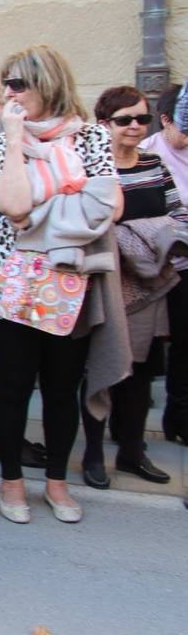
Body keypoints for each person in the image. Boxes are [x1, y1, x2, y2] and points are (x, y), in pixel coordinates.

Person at [0, 45, 121, 525]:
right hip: (10, 284)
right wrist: (16, 140)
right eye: (6, 83)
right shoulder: (4, 139)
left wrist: (42, 217)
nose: (8, 93)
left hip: (71, 280)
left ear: (48, 83)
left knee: (62, 389)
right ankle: (11, 481)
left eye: (18, 83)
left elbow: (107, 207)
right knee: (14, 387)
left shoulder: (91, 137)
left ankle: (57, 482)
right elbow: (14, 207)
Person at [78, 86, 183, 485]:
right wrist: (124, 239)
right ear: (103, 124)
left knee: (140, 373)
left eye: (142, 118)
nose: (135, 126)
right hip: (102, 282)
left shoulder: (155, 164)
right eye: (124, 120)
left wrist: (143, 237)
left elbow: (179, 215)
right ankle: (92, 453)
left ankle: (131, 452)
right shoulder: (90, 167)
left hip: (148, 281)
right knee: (100, 366)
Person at [141, 83, 188, 444]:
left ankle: (179, 418)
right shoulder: (148, 153)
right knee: (149, 346)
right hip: (159, 264)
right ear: (166, 120)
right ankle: (129, 425)